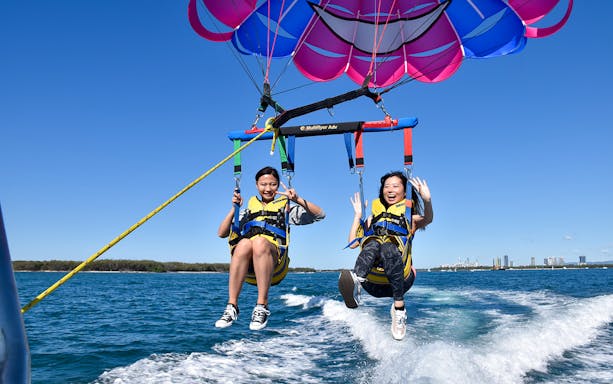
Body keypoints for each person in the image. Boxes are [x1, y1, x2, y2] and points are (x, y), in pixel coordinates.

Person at [216, 166, 325, 330]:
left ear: (278, 185)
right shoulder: (247, 210)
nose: (268, 189)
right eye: (263, 184)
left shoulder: (286, 207)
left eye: (273, 184)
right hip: (249, 266)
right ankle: (232, 306)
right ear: (256, 185)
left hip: (275, 264)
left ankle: (262, 306)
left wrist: (297, 199)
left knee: (259, 242)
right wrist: (235, 208)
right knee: (244, 243)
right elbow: (222, 233)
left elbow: (320, 215)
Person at [338, 171, 432, 340]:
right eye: (386, 186)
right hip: (372, 284)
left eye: (395, 186)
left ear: (405, 192)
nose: (390, 190)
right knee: (373, 243)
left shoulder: (410, 218)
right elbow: (353, 243)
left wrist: (427, 200)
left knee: (388, 246)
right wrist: (358, 216)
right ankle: (356, 284)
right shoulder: (373, 218)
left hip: (400, 283)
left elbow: (428, 219)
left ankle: (399, 309)